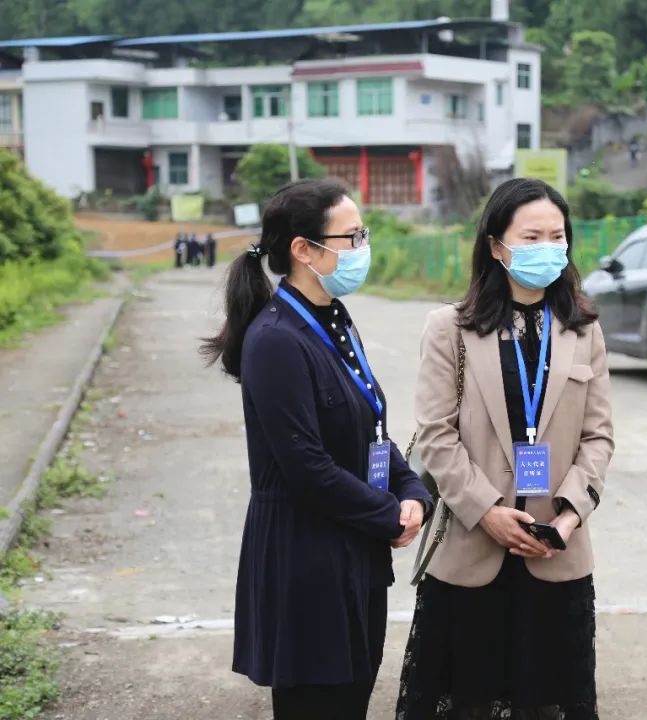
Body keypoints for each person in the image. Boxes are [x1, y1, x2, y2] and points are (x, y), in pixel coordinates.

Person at [200, 178, 431, 719]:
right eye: (352, 236)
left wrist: (412, 489)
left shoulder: (335, 319)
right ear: (304, 249)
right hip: (307, 564)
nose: (363, 248)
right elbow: (305, 467)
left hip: (356, 555)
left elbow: (367, 426)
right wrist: (388, 514)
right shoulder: (277, 339)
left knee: (349, 703)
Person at [397, 178, 615, 719]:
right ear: (497, 246)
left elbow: (599, 436)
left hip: (554, 553)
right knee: (469, 698)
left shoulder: (583, 328)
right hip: (474, 553)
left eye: (557, 236)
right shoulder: (449, 327)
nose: (549, 248)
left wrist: (566, 519)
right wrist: (486, 511)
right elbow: (435, 432)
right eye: (532, 236)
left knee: (545, 702)